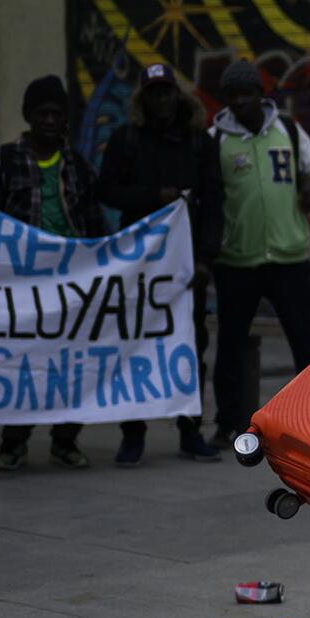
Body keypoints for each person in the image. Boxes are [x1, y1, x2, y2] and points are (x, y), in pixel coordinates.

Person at [96, 63, 225, 465]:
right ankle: (133, 434)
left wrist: (206, 258)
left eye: (167, 91)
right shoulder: (126, 140)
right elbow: (107, 190)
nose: (162, 99)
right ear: (142, 99)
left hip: (186, 268)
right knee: (134, 345)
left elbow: (215, 203)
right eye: (154, 92)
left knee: (190, 346)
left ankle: (190, 430)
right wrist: (154, 196)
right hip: (139, 267)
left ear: (177, 94)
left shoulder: (199, 143)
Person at [0, 75, 107, 471]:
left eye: (56, 113)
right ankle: (13, 442)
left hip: (71, 285)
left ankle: (65, 441)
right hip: (23, 285)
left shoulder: (78, 166)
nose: (50, 120)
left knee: (72, 365)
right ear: (28, 116)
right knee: (23, 363)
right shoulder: (2, 160)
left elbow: (94, 223)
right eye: (42, 113)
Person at [209, 59, 310, 446]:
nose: (242, 101)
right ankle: (227, 421)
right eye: (234, 95)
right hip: (237, 262)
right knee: (229, 345)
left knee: (307, 345)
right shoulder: (215, 139)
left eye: (248, 93)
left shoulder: (288, 129)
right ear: (226, 100)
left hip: (289, 258)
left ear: (261, 95)